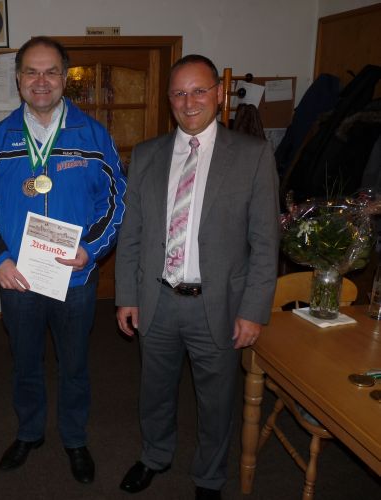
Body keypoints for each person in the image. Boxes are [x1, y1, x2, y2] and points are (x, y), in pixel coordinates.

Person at [115, 54, 279, 499]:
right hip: (158, 300)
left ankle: (209, 477)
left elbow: (266, 243)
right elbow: (132, 233)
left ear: (219, 94)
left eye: (199, 91)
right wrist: (127, 295)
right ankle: (155, 456)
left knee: (217, 400)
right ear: (169, 100)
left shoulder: (253, 155)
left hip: (218, 305)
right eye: (179, 93)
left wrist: (253, 310)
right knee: (154, 391)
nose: (189, 103)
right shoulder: (147, 155)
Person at [0, 37, 126, 484]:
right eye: (31, 72)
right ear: (18, 79)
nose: (41, 81)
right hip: (18, 280)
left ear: (64, 77)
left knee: (74, 364)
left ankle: (74, 438)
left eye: (51, 71)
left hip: (76, 279)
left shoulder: (92, 135)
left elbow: (116, 200)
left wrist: (91, 249)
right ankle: (29, 432)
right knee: (25, 363)